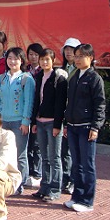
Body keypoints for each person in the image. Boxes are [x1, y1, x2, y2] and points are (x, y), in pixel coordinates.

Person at [63, 43, 106, 213]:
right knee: (77, 164)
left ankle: (87, 201)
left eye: (81, 56)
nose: (78, 59)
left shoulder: (94, 78)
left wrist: (95, 127)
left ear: (91, 58)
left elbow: (100, 104)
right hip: (73, 126)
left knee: (87, 165)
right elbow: (69, 103)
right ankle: (77, 197)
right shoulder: (74, 77)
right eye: (76, 56)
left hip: (86, 127)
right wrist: (66, 123)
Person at [0, 46, 35, 195]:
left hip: (18, 122)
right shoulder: (1, 78)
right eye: (9, 58)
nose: (12, 61)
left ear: (21, 60)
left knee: (20, 154)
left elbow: (29, 102)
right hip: (3, 121)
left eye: (16, 58)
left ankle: (20, 184)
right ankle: (5, 182)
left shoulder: (26, 79)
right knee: (3, 152)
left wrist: (25, 122)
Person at [30, 48, 68, 202]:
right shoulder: (39, 76)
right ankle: (44, 187)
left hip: (53, 123)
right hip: (40, 122)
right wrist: (34, 121)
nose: (44, 62)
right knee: (44, 157)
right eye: (42, 59)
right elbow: (36, 100)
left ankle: (55, 189)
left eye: (47, 59)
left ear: (53, 61)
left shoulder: (59, 78)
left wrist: (58, 125)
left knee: (54, 157)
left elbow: (60, 104)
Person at [60, 37, 81, 194]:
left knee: (74, 151)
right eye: (66, 49)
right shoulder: (61, 69)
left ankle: (74, 180)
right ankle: (65, 179)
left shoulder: (81, 71)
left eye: (72, 50)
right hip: (62, 114)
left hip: (75, 115)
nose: (69, 52)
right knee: (64, 150)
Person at [25, 42, 44, 187]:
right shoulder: (25, 71)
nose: (33, 57)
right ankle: (27, 172)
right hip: (26, 111)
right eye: (30, 54)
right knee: (27, 144)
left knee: (37, 144)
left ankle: (37, 173)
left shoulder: (43, 72)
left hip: (38, 112)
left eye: (36, 55)